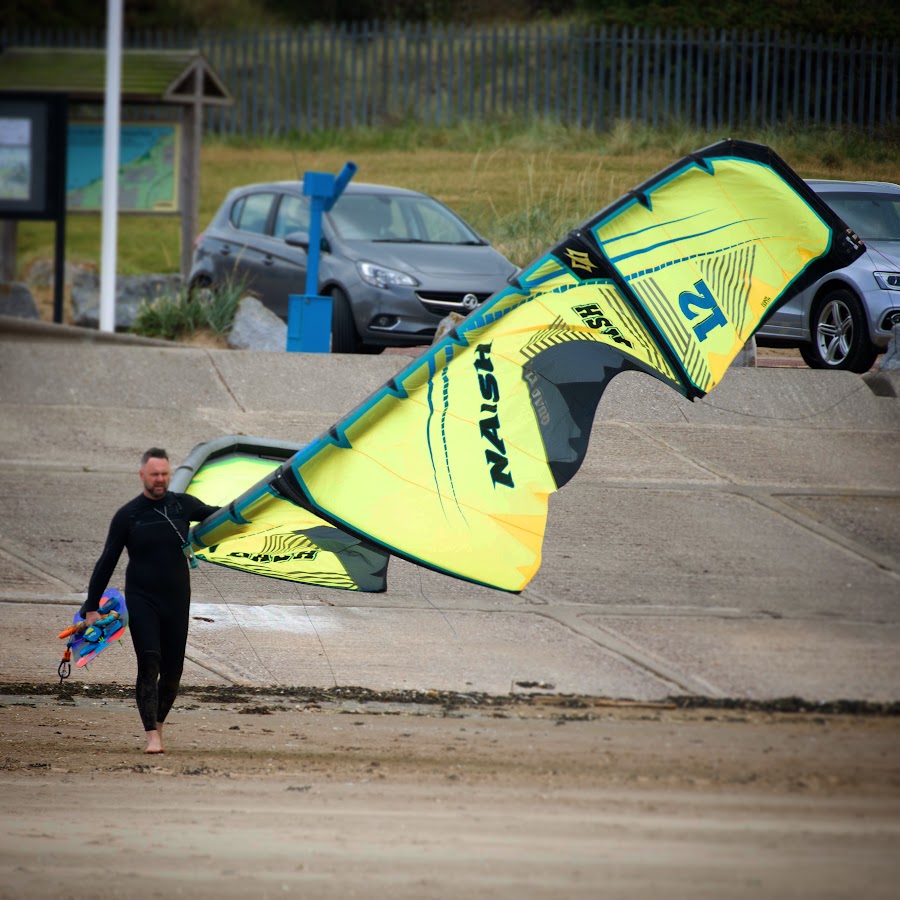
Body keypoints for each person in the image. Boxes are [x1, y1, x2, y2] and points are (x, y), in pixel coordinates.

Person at [83, 448, 218, 754]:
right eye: (154, 474)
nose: (160, 479)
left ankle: (159, 725)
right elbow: (106, 562)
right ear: (142, 475)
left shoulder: (183, 505)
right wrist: (91, 608)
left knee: (173, 671)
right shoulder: (128, 515)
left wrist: (258, 508)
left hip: (177, 599)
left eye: (164, 474)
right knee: (149, 661)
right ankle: (151, 736)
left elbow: (219, 515)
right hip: (142, 598)